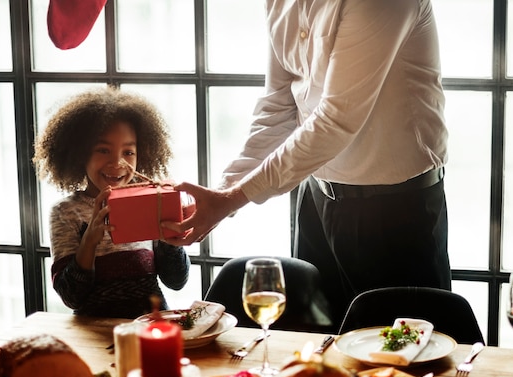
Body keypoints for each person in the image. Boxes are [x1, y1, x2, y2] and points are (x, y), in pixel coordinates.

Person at [163, 0, 451, 327]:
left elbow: (335, 121)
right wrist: (220, 197)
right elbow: (278, 109)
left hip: (395, 210)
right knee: (318, 349)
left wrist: (231, 199)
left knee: (405, 355)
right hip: (316, 200)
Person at [33, 87, 190, 318]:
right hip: (95, 336)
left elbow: (176, 281)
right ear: (79, 153)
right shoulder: (66, 212)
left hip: (151, 329)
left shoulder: (152, 202)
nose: (117, 162)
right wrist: (89, 243)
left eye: (128, 152)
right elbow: (71, 297)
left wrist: (172, 240)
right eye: (103, 150)